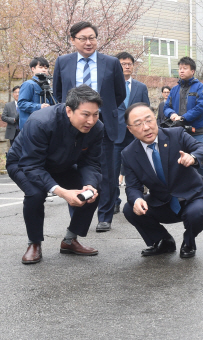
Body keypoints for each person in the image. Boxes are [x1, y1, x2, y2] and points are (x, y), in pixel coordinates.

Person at [6, 85, 103, 265]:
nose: (91, 121)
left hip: (62, 165)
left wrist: (89, 184)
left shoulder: (97, 128)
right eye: (85, 115)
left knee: (94, 190)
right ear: (69, 110)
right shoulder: (41, 122)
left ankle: (69, 240)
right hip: (24, 163)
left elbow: (90, 163)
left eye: (95, 114)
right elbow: (32, 165)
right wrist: (61, 191)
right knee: (36, 193)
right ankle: (34, 243)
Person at [52, 21, 126, 233]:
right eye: (83, 38)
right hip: (73, 127)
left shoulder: (111, 63)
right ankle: (77, 218)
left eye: (92, 37)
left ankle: (105, 216)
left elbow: (119, 94)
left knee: (107, 173)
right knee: (74, 172)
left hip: (104, 126)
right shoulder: (63, 62)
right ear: (73, 40)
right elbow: (59, 93)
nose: (88, 42)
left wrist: (101, 113)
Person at [121, 103, 203, 258]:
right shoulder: (128, 154)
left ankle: (189, 241)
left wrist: (193, 157)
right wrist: (137, 199)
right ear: (130, 129)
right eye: (138, 124)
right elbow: (132, 186)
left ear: (156, 120)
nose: (146, 127)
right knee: (130, 208)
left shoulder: (176, 134)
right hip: (163, 202)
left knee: (196, 214)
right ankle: (164, 241)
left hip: (193, 196)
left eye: (149, 120)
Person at [95, 51, 150, 230]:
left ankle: (137, 199)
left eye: (129, 64)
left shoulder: (141, 87)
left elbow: (145, 108)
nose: (126, 66)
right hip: (115, 133)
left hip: (135, 134)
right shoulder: (107, 86)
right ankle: (115, 201)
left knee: (138, 168)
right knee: (112, 171)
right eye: (122, 64)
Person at [163, 56, 203, 183]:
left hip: (197, 132)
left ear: (192, 71)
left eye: (185, 68)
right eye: (180, 68)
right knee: (179, 163)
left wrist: (183, 118)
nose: (181, 71)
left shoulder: (200, 88)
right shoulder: (175, 89)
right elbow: (166, 107)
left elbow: (200, 108)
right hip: (178, 132)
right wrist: (172, 114)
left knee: (199, 163)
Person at [17, 57, 55, 130]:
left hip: (46, 126)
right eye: (40, 67)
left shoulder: (49, 88)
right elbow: (21, 103)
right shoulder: (28, 84)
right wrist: (39, 107)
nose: (44, 70)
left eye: (46, 68)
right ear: (33, 69)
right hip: (31, 127)